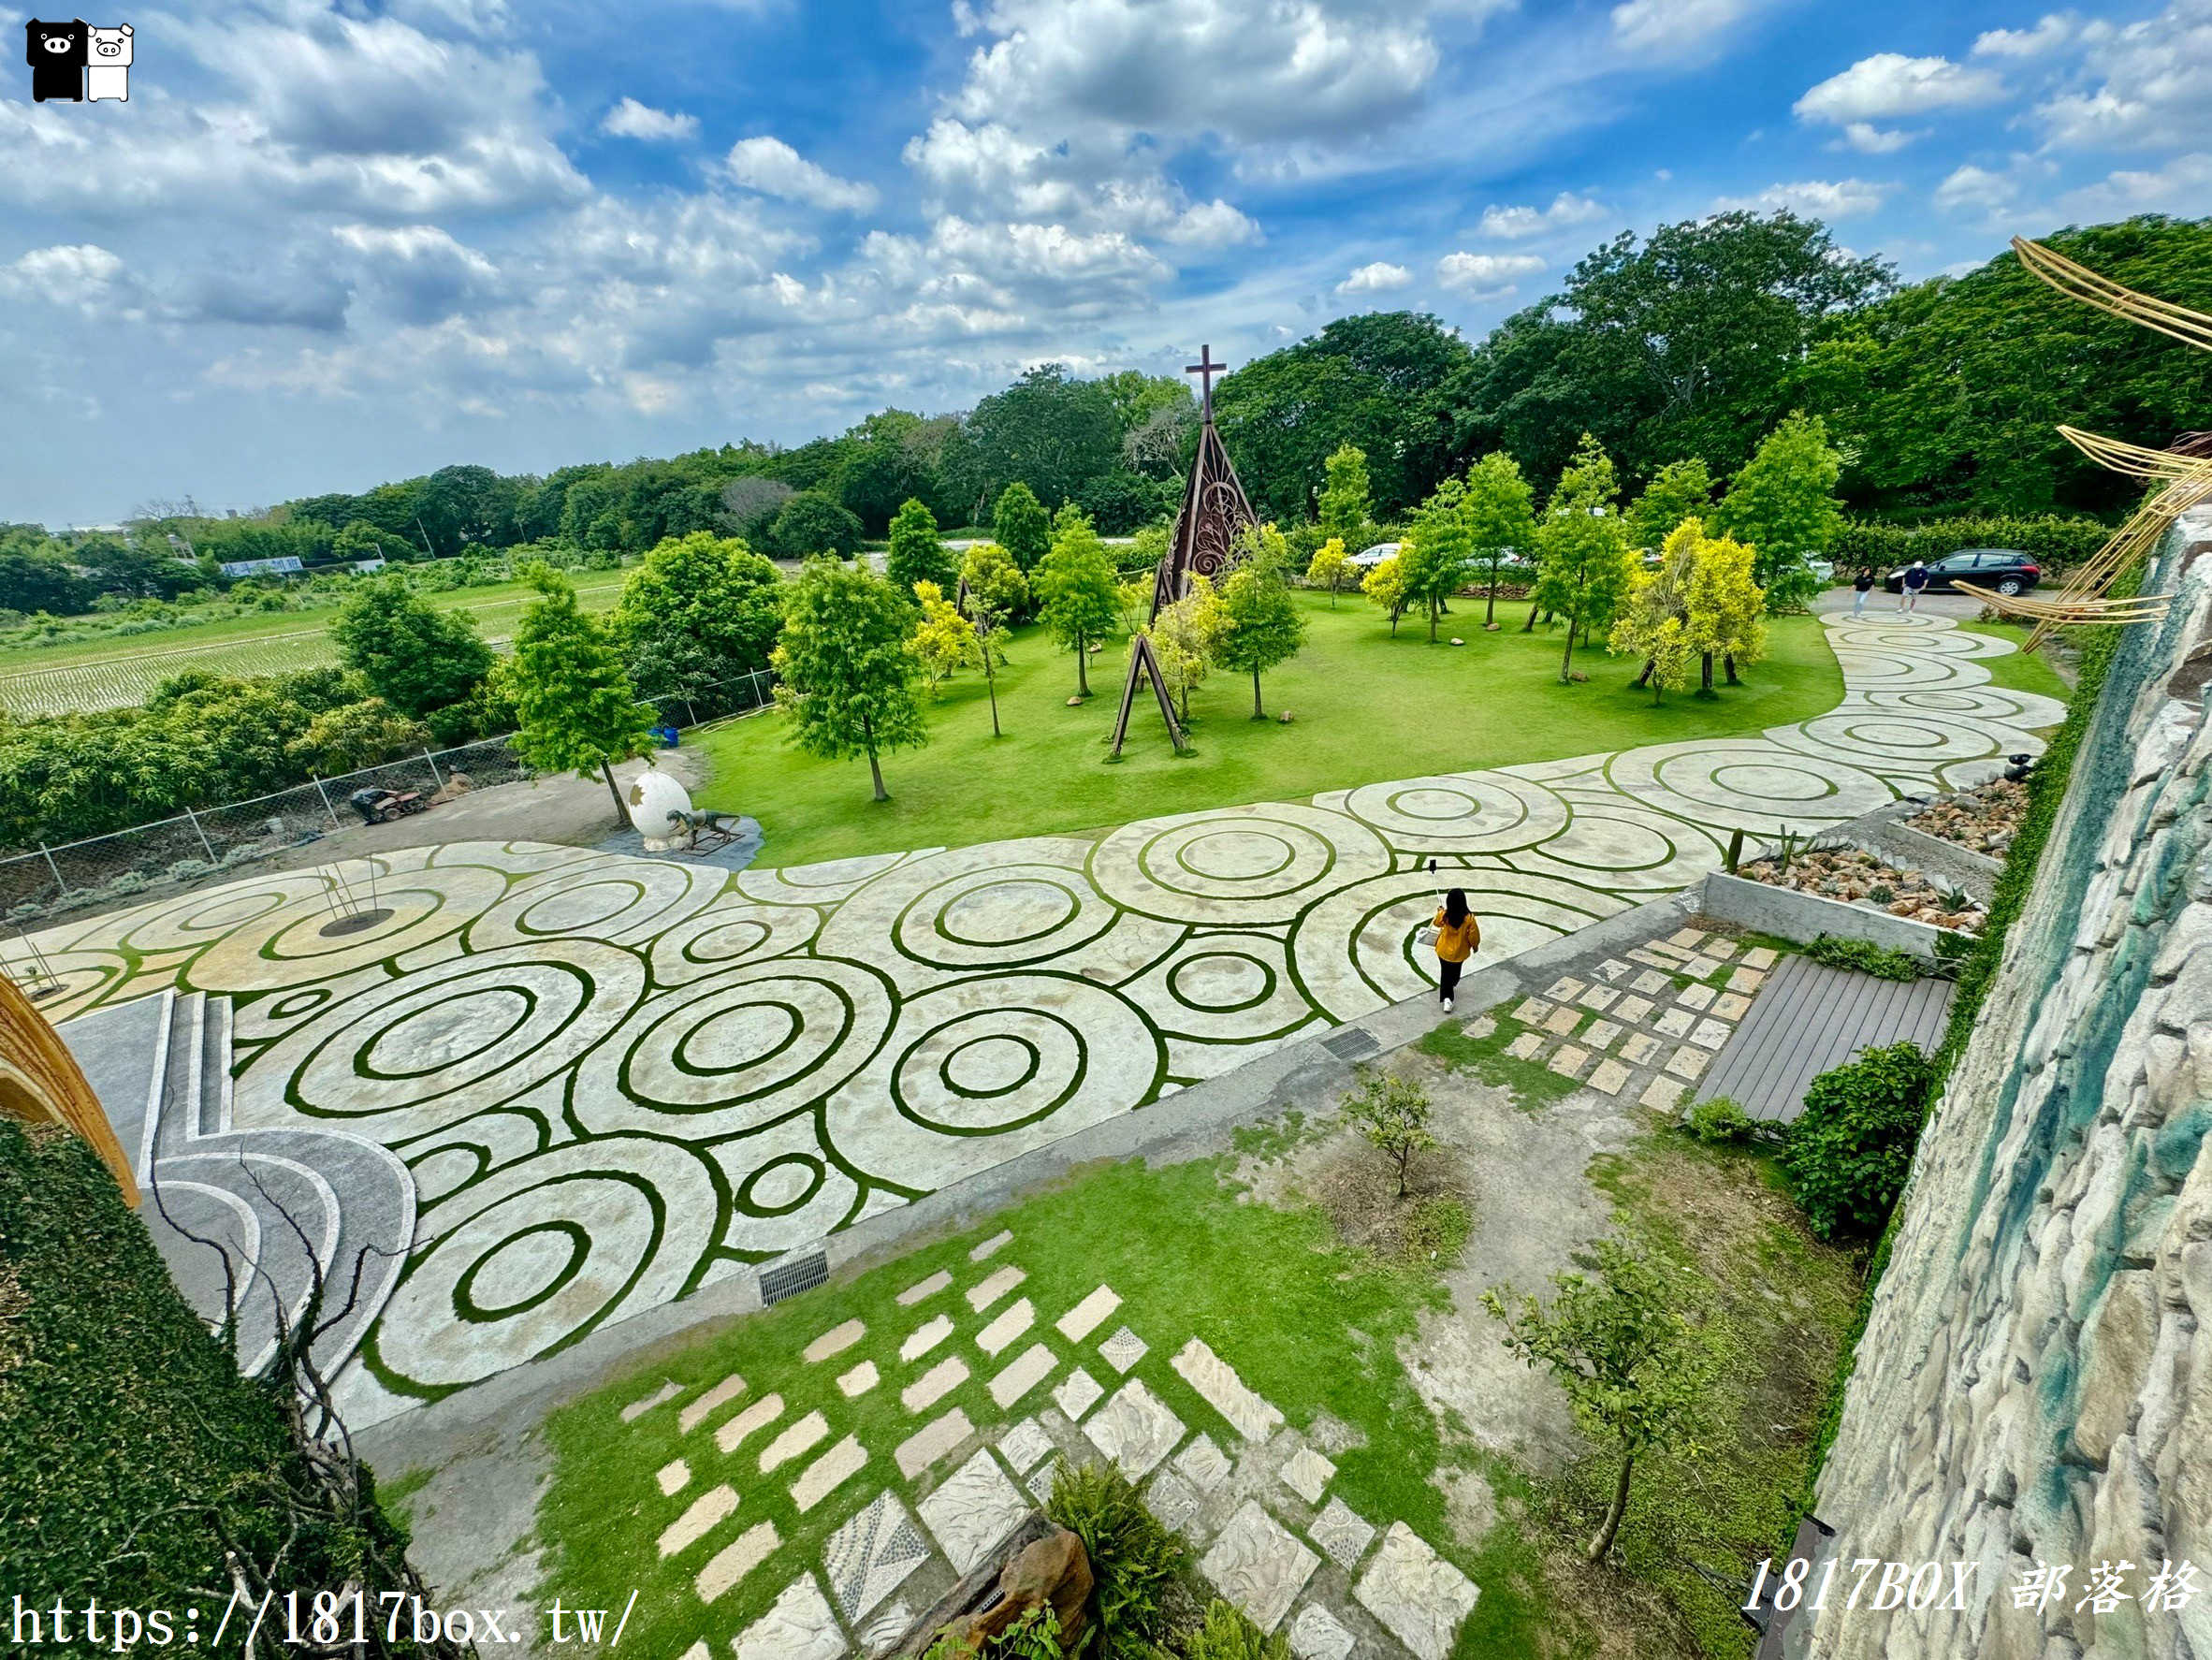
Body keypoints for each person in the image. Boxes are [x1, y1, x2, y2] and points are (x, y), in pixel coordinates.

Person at [1431, 885, 1480, 1010]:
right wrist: (1475, 946)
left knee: (1447, 973)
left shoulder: (1445, 915)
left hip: (1444, 950)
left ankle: (1448, 990)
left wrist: (1439, 912)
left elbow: (1436, 923)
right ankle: (1448, 999)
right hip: (1459, 952)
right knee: (1452, 974)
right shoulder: (1469, 918)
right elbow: (1473, 936)